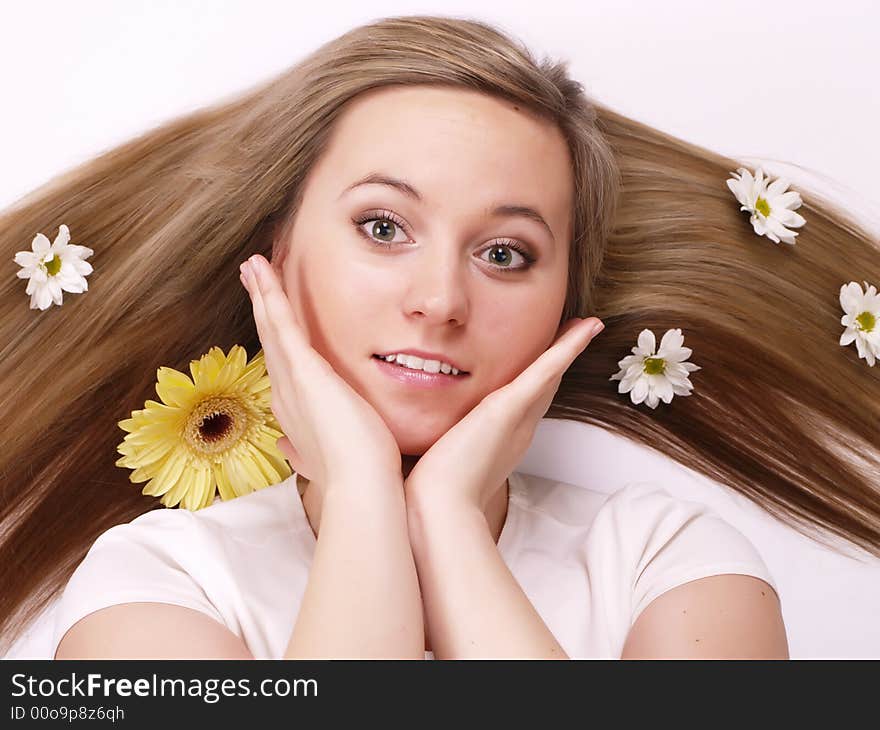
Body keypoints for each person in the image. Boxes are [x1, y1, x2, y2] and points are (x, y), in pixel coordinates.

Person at [0, 15, 875, 659]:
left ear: (565, 305)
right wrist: (359, 499)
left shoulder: (670, 563)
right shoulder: (155, 583)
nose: (440, 300)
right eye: (383, 228)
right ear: (278, 251)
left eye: (505, 252)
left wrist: (448, 519)